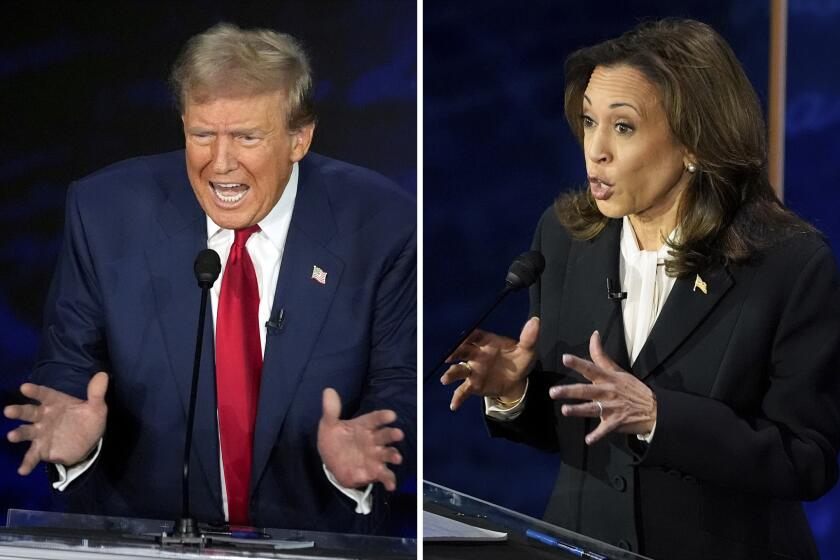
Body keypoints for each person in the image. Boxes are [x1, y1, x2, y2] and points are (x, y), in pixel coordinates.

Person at [441, 18, 840, 559]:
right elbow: (580, 430)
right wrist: (515, 393)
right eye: (588, 122)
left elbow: (807, 459)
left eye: (623, 127)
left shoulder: (787, 264)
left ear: (696, 142)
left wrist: (660, 417)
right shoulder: (563, 238)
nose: (595, 150)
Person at [3, 23, 415, 534]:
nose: (220, 164)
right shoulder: (104, 212)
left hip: (318, 534)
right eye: (202, 135)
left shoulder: (381, 224)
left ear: (298, 138)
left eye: (246, 136)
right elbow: (69, 367)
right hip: (145, 536)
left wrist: (362, 454)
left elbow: (400, 384)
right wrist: (75, 444)